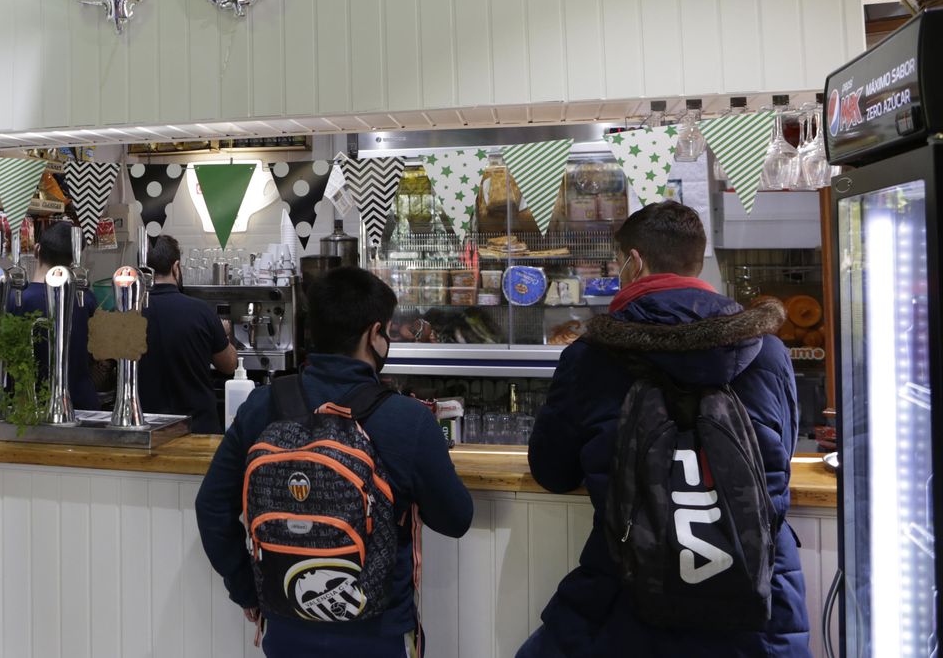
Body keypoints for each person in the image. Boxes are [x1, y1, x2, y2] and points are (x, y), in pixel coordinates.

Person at [519, 201, 809, 657]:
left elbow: (552, 471)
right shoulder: (767, 351)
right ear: (697, 261)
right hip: (758, 609)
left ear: (634, 262)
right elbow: (781, 459)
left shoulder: (590, 356)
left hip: (626, 600)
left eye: (619, 264)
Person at [196, 266, 474, 657]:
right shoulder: (407, 420)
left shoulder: (261, 405)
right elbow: (455, 518)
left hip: (285, 626)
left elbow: (211, 507)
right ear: (372, 334)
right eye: (387, 333)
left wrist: (248, 589)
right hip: (377, 633)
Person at [138, 235, 238, 432]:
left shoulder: (130, 310)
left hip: (147, 427)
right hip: (197, 426)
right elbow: (229, 365)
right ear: (176, 267)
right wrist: (224, 334)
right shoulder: (201, 311)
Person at [10, 222, 99, 411]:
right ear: (75, 258)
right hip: (81, 403)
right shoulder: (86, 299)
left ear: (36, 250)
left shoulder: (16, 300)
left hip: (29, 407)